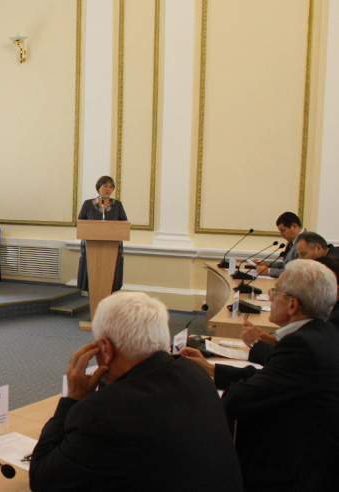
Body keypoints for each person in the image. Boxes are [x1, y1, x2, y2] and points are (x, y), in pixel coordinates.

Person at [29, 292, 242, 492]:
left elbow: (42, 479)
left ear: (105, 348)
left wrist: (72, 399)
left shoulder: (102, 413)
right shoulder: (196, 374)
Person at [181, 259, 339, 491]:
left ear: (293, 305)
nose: (271, 298)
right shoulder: (324, 333)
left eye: (276, 292)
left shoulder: (301, 346)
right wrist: (212, 369)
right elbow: (271, 378)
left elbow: (239, 399)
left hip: (298, 469)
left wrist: (204, 382)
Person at [76, 176, 127, 293]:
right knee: (93, 276)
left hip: (112, 248)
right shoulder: (88, 204)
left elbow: (124, 224)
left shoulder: (117, 205)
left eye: (111, 187)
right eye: (105, 186)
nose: (108, 189)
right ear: (98, 187)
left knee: (110, 279)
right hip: (92, 247)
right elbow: (80, 223)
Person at [254, 211, 304, 277]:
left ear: (294, 226)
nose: (281, 234)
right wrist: (269, 265)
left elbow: (296, 272)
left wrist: (269, 271)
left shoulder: (306, 242)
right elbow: (287, 265)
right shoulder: (291, 242)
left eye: (283, 231)